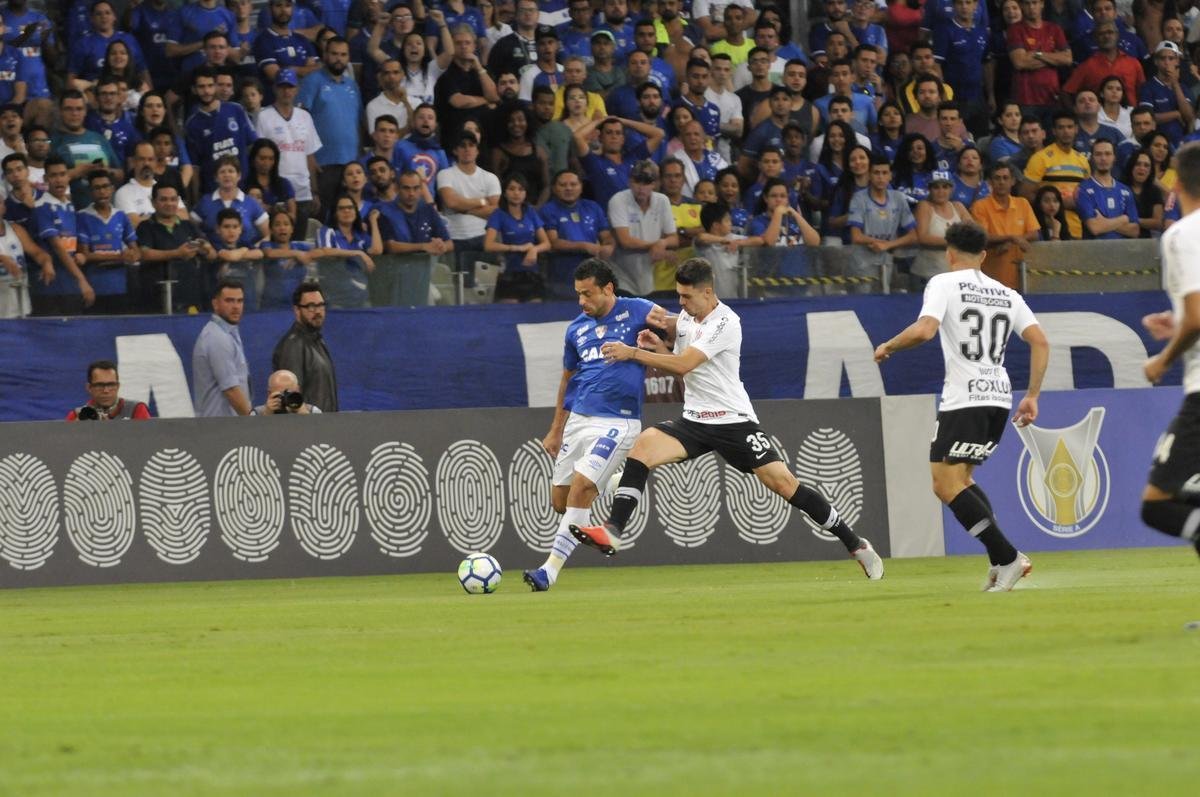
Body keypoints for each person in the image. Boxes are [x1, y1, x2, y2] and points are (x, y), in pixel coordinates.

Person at [570, 257, 885, 579]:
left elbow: (685, 366)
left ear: (707, 292)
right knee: (644, 447)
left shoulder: (725, 322)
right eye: (678, 295)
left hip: (733, 420)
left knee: (784, 483)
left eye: (687, 296)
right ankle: (613, 530)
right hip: (694, 420)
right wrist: (659, 349)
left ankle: (856, 543)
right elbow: (681, 368)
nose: (680, 303)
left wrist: (634, 352)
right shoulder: (686, 320)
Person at [874, 222, 1048, 592]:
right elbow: (1040, 342)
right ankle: (1001, 562)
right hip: (999, 397)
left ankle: (1008, 557)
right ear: (984, 256)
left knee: (944, 483)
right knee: (961, 480)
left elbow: (924, 330)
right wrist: (1032, 395)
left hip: (966, 396)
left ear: (949, 253)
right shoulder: (1007, 293)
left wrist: (888, 345)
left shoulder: (944, 283)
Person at [522, 258, 669, 591]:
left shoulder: (640, 310)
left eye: (588, 294)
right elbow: (568, 379)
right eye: (578, 294)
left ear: (608, 289)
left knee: (582, 487)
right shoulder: (576, 329)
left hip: (617, 422)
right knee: (560, 502)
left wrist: (659, 344)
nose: (581, 301)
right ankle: (620, 477)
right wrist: (556, 428)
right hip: (578, 421)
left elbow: (679, 332)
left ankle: (548, 571)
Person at [1139, 142, 1200, 562]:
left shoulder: (1183, 234)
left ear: (1176, 185)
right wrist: (1178, 323)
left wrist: (1163, 359)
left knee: (1157, 504)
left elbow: (1198, 317)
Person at [135, 182, 215, 312]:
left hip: (190, 296)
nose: (169, 203)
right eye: (163, 199)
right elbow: (144, 254)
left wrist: (205, 250)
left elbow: (212, 254)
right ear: (153, 202)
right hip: (155, 297)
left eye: (173, 199)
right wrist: (177, 253)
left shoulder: (189, 226)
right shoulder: (145, 226)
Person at [609, 159, 679, 297]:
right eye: (637, 181)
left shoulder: (662, 200)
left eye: (646, 182)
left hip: (649, 275)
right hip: (623, 275)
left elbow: (674, 239)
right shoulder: (618, 200)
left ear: (654, 183)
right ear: (630, 182)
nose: (641, 187)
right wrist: (656, 245)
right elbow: (625, 241)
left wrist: (662, 243)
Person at [184, 65, 258, 195]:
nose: (207, 91)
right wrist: (195, 198)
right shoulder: (192, 123)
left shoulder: (236, 110)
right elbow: (195, 167)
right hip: (213, 192)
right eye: (201, 87)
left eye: (210, 85)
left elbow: (253, 145)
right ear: (194, 90)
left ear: (216, 87)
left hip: (243, 188)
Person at [76, 170, 140, 314]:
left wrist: (132, 255)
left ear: (112, 188)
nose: (102, 192)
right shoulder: (82, 216)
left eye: (105, 186)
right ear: (90, 192)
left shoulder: (121, 216)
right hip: (94, 287)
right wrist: (119, 257)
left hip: (120, 286)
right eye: (97, 188)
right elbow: (85, 255)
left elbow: (136, 251)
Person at [271, 279, 337, 412]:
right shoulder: (293, 346)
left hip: (324, 425)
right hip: (308, 428)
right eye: (311, 306)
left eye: (320, 305)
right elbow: (291, 400)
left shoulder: (317, 340)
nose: (317, 311)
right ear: (297, 310)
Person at [970, 162, 1039, 288]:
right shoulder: (980, 206)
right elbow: (983, 238)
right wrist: (1013, 238)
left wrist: (1012, 241)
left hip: (1021, 276)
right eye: (997, 178)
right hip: (990, 278)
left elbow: (1034, 233)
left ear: (1013, 181)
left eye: (1005, 178)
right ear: (990, 182)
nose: (1001, 182)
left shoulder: (1023, 203)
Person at [297, 36, 362, 169]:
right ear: (325, 55)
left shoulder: (352, 85)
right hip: (322, 162)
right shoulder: (311, 81)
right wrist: (309, 157)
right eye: (334, 54)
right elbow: (299, 122)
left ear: (349, 57)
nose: (339, 58)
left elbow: (358, 122)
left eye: (343, 54)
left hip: (351, 163)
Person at [192, 277, 252, 417]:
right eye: (229, 301)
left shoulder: (227, 333)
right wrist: (253, 422)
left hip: (224, 426)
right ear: (215, 304)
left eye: (240, 301)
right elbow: (231, 390)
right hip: (219, 429)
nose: (236, 306)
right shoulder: (217, 338)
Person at [1076, 138, 1140, 240]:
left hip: (1121, 252)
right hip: (1093, 252)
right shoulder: (1083, 189)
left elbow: (1135, 231)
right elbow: (1095, 228)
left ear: (1114, 157)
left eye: (1108, 154)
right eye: (1098, 154)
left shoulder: (1125, 190)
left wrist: (1104, 222)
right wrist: (1123, 219)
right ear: (1092, 158)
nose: (1103, 158)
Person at [0, 199, 52, 319]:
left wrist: (46, 262)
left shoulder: (15, 229)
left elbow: (37, 252)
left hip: (19, 300)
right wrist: (2, 258)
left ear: (4, 207)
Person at [66, 360, 151, 420]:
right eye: (99, 385)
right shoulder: (77, 415)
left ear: (118, 386)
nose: (106, 390)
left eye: (111, 385)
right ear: (89, 388)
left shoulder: (136, 409)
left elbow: (149, 441)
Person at [251, 368, 322, 415]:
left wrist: (306, 416)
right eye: (281, 395)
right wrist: (266, 416)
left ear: (298, 390)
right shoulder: (257, 413)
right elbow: (250, 436)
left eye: (289, 394)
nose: (286, 398)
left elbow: (321, 435)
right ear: (269, 393)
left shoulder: (313, 412)